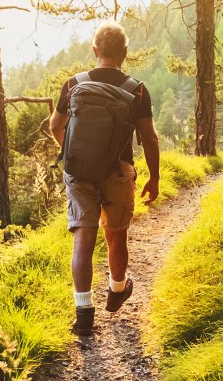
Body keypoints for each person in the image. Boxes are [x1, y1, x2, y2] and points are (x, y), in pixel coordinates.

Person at [49, 20, 160, 336]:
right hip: (118, 172)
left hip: (79, 172)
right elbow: (149, 138)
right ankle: (116, 289)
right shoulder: (136, 90)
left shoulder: (73, 84)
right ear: (125, 53)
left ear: (95, 51)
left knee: (83, 239)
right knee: (116, 233)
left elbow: (55, 125)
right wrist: (154, 177)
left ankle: (84, 313)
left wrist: (74, 154)